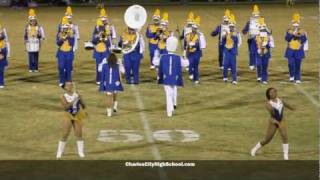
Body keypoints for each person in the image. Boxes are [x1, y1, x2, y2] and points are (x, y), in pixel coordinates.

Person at [250, 87, 295, 160]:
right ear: (269, 95)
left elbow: (287, 105)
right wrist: (276, 122)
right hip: (273, 121)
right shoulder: (268, 104)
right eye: (272, 92)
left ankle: (286, 155)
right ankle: (254, 149)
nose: (274, 92)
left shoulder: (280, 100)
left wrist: (293, 108)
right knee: (267, 139)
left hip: (281, 120)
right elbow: (273, 116)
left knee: (284, 136)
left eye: (275, 91)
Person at [153, 36, 189, 117]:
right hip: (175, 78)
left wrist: (156, 54)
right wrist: (185, 56)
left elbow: (155, 62)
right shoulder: (178, 58)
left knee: (168, 94)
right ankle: (172, 107)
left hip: (166, 78)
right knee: (172, 91)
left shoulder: (163, 57)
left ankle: (169, 112)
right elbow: (186, 64)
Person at [56, 81, 87, 159]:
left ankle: (81, 152)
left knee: (79, 134)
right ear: (65, 87)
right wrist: (73, 100)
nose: (70, 87)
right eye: (68, 85)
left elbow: (83, 106)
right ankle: (59, 152)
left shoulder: (76, 94)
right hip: (68, 115)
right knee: (65, 134)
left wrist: (81, 98)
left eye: (71, 85)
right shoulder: (63, 96)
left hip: (77, 115)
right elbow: (66, 107)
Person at [284, 13, 308, 84]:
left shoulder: (302, 31)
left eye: (297, 22)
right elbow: (287, 39)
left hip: (298, 51)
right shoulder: (289, 31)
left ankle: (297, 78)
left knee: (298, 65)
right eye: (294, 22)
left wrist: (299, 35)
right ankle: (292, 76)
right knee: (290, 64)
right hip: (290, 50)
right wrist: (293, 34)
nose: (295, 23)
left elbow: (304, 40)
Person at [242, 5, 267, 71]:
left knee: (256, 51)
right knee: (253, 52)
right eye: (255, 15)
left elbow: (265, 29)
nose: (256, 16)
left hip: (258, 39)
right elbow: (245, 30)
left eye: (257, 15)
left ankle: (255, 64)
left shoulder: (260, 22)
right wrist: (244, 31)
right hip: (252, 39)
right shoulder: (250, 22)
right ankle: (253, 64)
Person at [184, 16, 206, 84]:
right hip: (189, 52)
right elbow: (185, 43)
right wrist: (185, 50)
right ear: (192, 28)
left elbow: (202, 44)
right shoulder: (187, 35)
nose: (194, 29)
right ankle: (191, 74)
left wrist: (194, 44)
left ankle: (196, 79)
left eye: (196, 28)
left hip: (197, 52)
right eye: (193, 28)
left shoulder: (200, 35)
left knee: (196, 66)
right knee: (190, 64)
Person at [222, 14, 241, 85]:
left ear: (234, 27)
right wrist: (225, 35)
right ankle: (225, 77)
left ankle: (234, 79)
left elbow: (239, 42)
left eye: (232, 26)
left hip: (233, 51)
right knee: (225, 64)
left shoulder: (237, 33)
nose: (231, 27)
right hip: (227, 51)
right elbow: (223, 41)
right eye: (230, 26)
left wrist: (235, 48)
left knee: (233, 66)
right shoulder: (226, 33)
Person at [24, 8, 45, 73]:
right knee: (30, 56)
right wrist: (25, 42)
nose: (33, 22)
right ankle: (30, 68)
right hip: (30, 44)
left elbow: (42, 36)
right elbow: (25, 36)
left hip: (36, 44)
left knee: (36, 56)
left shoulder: (38, 27)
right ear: (29, 21)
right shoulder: (27, 27)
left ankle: (35, 68)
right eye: (31, 21)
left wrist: (39, 36)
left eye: (34, 21)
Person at [254, 17, 274, 84]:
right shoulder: (256, 36)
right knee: (259, 64)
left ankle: (264, 79)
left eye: (263, 29)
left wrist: (268, 42)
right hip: (258, 52)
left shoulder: (268, 36)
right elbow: (254, 45)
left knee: (265, 66)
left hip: (266, 53)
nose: (262, 30)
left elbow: (272, 45)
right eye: (261, 29)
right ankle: (259, 76)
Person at [56, 16, 75, 87]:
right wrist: (61, 39)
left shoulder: (71, 33)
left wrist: (68, 36)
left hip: (69, 53)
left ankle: (68, 80)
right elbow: (58, 43)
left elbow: (72, 43)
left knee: (68, 68)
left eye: (66, 28)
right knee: (61, 67)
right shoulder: (59, 34)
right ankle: (61, 80)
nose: (65, 29)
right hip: (61, 53)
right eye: (64, 28)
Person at [92, 18, 111, 85]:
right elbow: (93, 41)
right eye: (99, 26)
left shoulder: (107, 32)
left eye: (101, 26)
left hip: (105, 51)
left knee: (105, 65)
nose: (99, 28)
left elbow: (109, 43)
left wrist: (105, 39)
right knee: (98, 66)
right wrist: (98, 37)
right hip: (98, 51)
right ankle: (99, 79)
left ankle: (106, 79)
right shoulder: (95, 32)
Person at [0, 24, 8, 89]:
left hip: (2, 50)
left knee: (1, 69)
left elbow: (6, 40)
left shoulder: (3, 30)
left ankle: (1, 83)